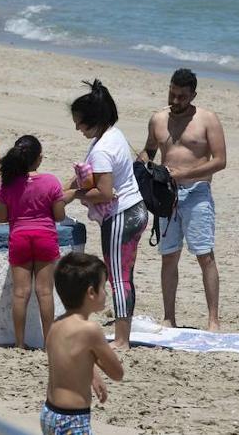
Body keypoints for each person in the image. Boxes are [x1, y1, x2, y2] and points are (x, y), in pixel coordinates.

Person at [138, 68, 227, 331]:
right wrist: (138, 168)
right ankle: (169, 318)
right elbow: (149, 151)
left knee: (204, 255)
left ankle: (213, 320)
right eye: (172, 94)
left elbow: (220, 161)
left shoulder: (207, 119)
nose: (175, 101)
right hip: (166, 194)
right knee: (169, 256)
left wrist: (185, 174)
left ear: (193, 95)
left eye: (182, 97)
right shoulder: (158, 119)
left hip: (197, 192)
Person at [68, 79, 148, 349]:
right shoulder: (113, 134)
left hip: (121, 216)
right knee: (124, 275)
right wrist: (63, 188)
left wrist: (74, 195)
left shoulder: (102, 149)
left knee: (119, 277)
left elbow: (103, 192)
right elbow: (89, 177)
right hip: (134, 209)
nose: (77, 128)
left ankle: (122, 339)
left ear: (93, 120)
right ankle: (123, 333)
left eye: (79, 123)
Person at [0, 135, 65, 350]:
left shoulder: (8, 184)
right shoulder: (51, 182)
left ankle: (19, 343)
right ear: (39, 158)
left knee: (20, 293)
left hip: (19, 238)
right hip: (45, 237)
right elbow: (59, 216)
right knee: (45, 292)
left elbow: (1, 217)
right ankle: (48, 343)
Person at [42, 252, 124, 435]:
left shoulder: (56, 325)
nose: (106, 293)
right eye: (103, 287)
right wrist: (96, 359)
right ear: (91, 293)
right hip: (73, 420)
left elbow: (70, 358)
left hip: (50, 413)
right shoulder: (90, 330)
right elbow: (117, 373)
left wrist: (92, 372)